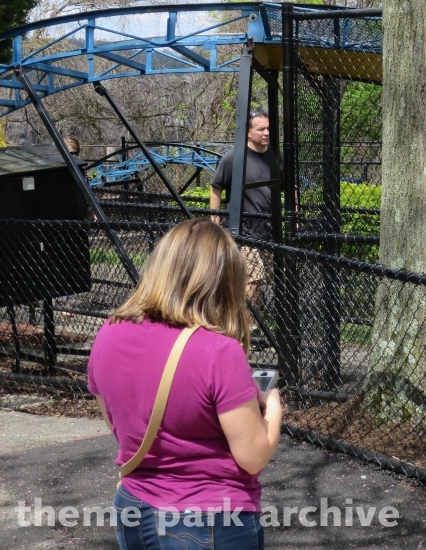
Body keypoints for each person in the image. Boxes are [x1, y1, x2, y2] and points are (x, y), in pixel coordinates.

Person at [88, 219, 282, 550]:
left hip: (133, 509)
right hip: (209, 520)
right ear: (224, 282)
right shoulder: (219, 350)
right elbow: (252, 456)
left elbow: (117, 422)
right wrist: (273, 408)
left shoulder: (110, 331)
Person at [210, 111, 275, 310]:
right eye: (261, 129)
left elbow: (292, 188)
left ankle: (244, 317)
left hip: (270, 230)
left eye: (269, 128)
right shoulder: (233, 158)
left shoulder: (276, 156)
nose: (266, 133)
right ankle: (250, 327)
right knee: (253, 278)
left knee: (269, 278)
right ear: (248, 133)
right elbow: (216, 189)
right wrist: (215, 222)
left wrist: (295, 214)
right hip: (243, 232)